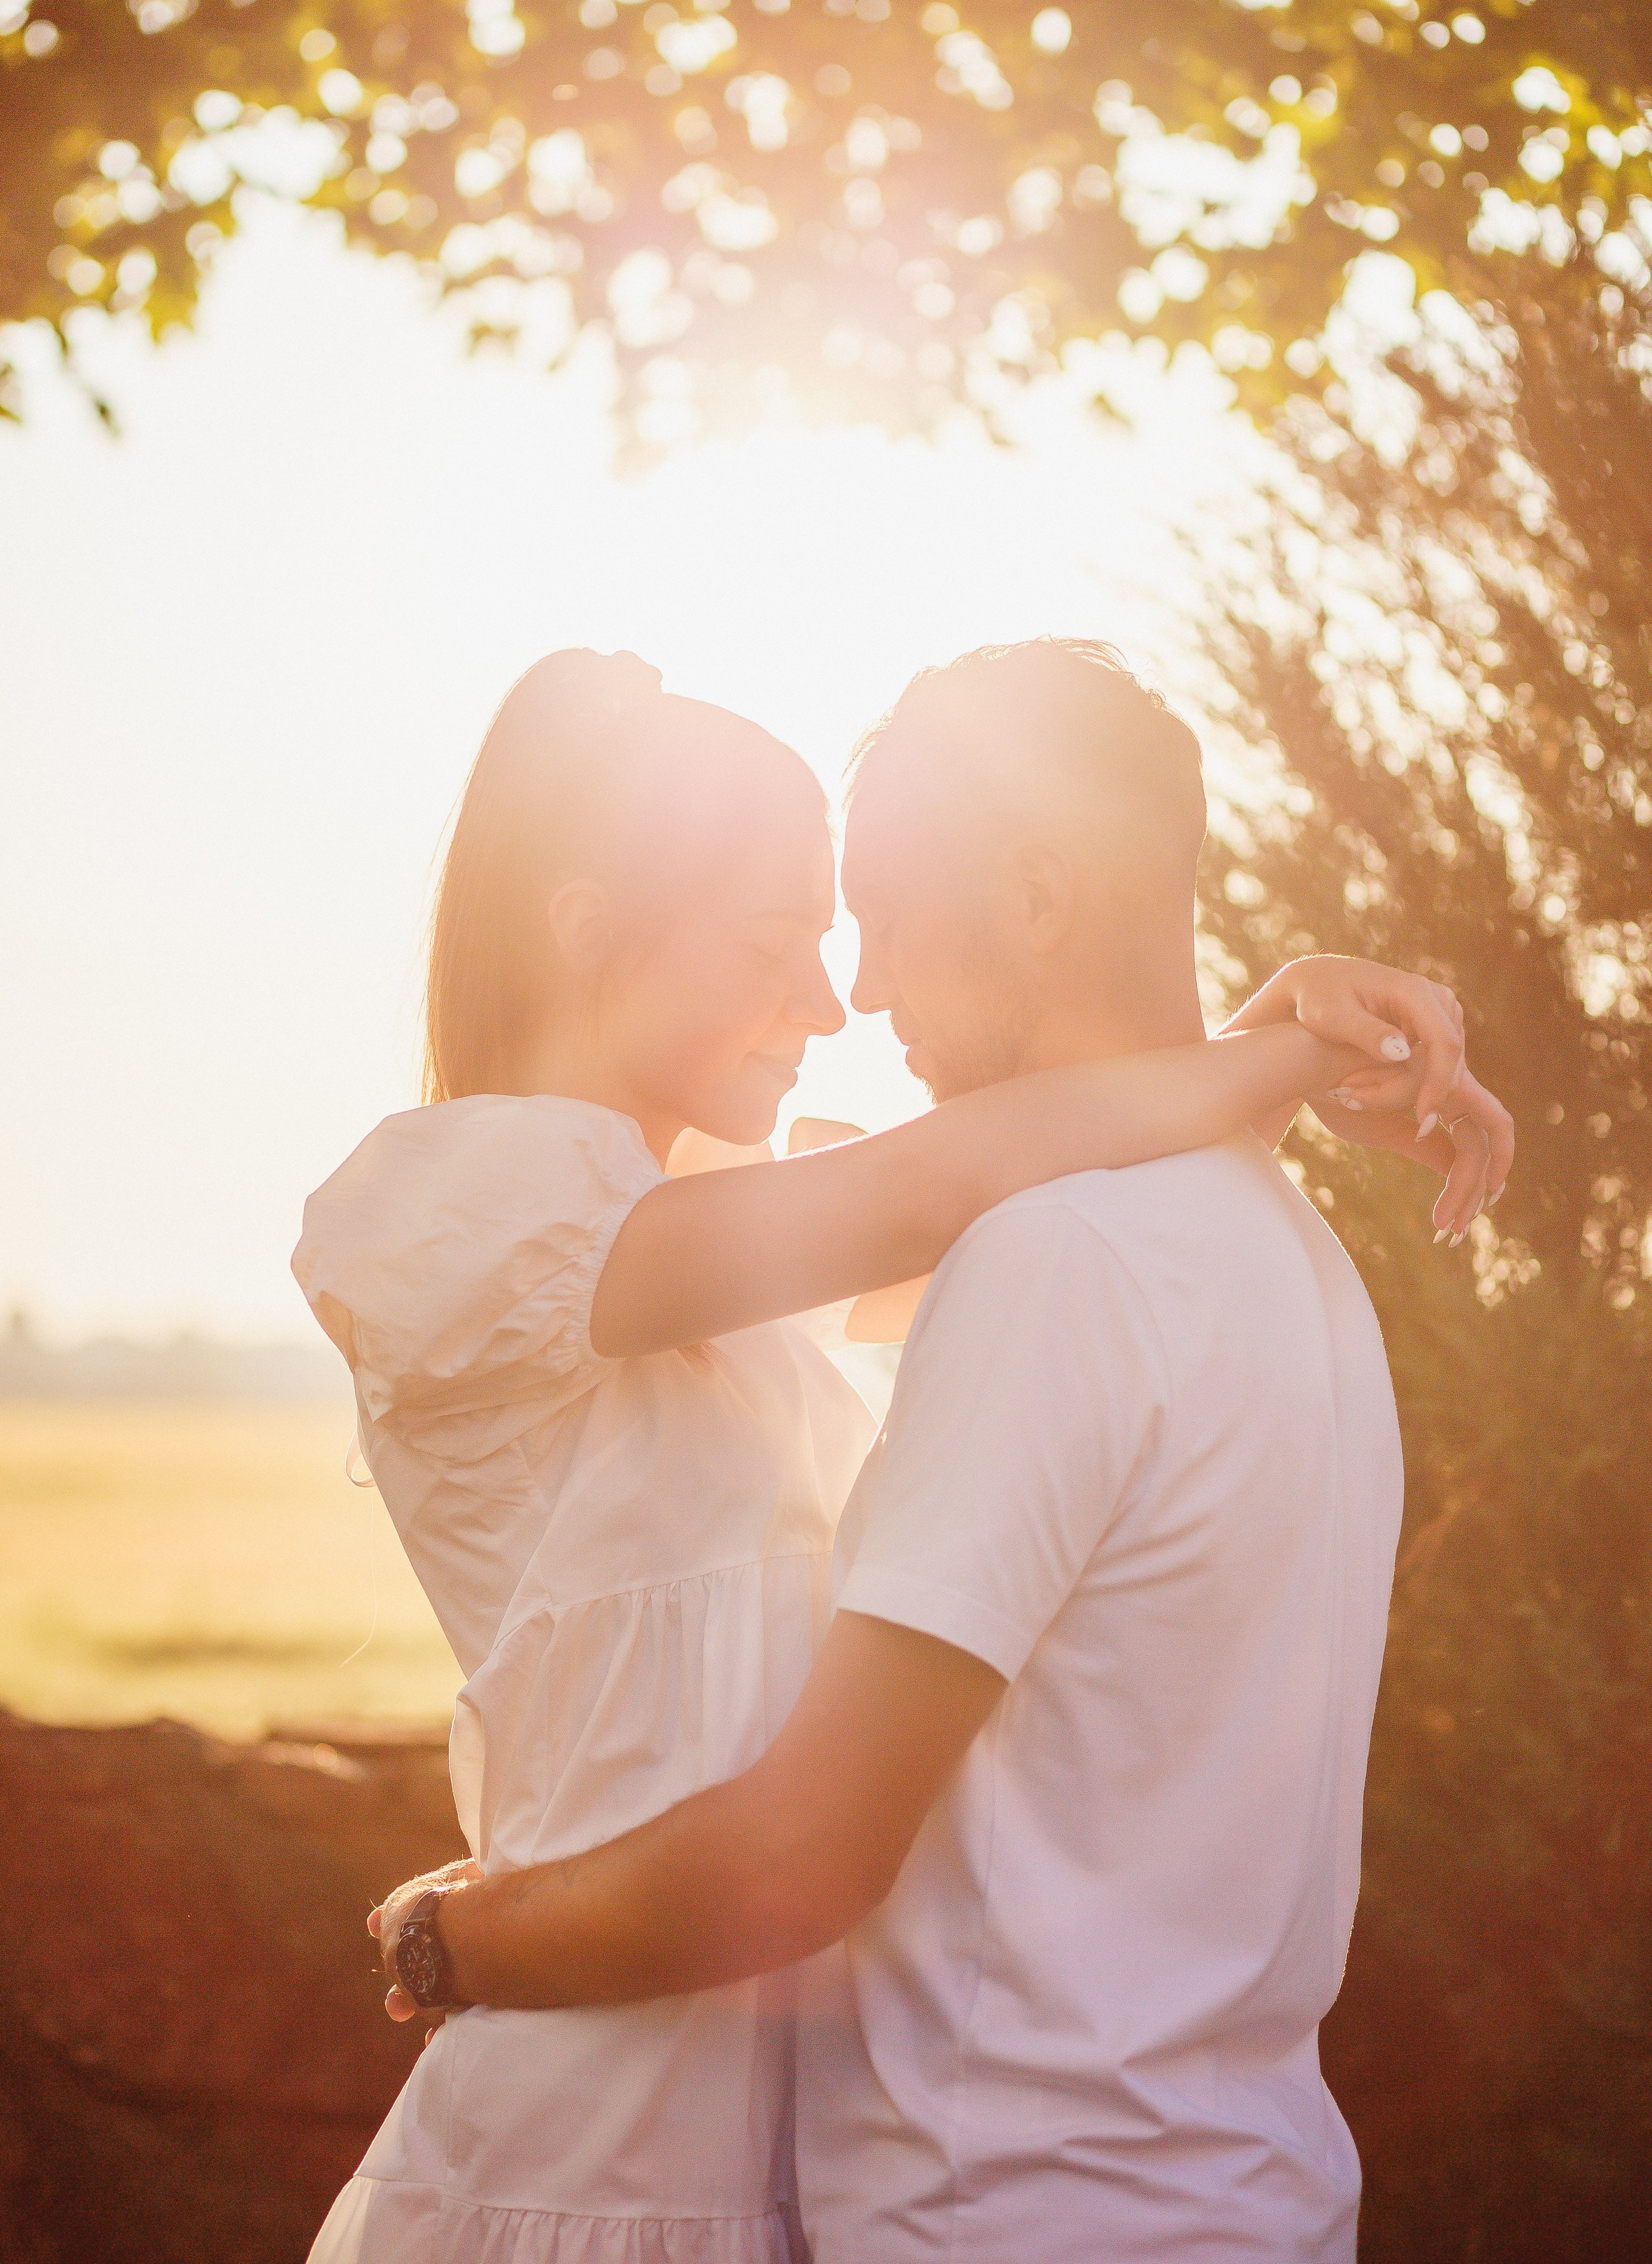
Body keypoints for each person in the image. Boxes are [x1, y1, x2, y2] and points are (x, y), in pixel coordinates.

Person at [364, 642, 1514, 2264]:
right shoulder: (1285, 1255)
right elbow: (916, 1196)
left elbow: (803, 1856)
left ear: (1038, 896)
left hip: (1017, 2216)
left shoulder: (1063, 1264)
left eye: (885, 915)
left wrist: (447, 1937)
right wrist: (1280, 1040)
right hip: (1236, 2203)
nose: (863, 990)